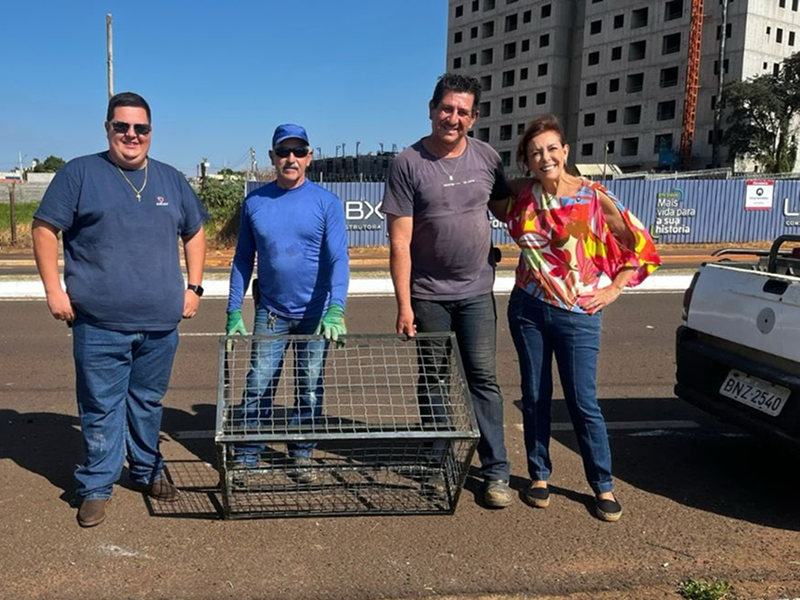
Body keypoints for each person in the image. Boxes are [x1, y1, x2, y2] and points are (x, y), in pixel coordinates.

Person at [32, 92, 209, 528]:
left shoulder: (171, 180)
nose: (131, 135)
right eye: (122, 126)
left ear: (151, 132)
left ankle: (148, 472)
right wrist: (54, 290)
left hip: (160, 322)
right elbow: (45, 228)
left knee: (148, 403)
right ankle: (96, 485)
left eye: (140, 128)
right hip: (99, 323)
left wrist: (195, 288)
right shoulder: (80, 173)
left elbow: (196, 231)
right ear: (108, 128)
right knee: (101, 407)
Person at [491, 114, 660, 522]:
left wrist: (613, 288)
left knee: (583, 401)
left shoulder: (592, 197)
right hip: (528, 308)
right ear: (527, 161)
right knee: (533, 396)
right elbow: (478, 189)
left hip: (579, 313)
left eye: (551, 149)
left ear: (565, 152)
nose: (545, 157)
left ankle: (602, 484)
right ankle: (539, 476)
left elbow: (641, 247)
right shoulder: (520, 195)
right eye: (535, 153)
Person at [382, 73, 513, 508]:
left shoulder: (488, 159)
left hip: (476, 291)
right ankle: (437, 461)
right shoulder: (407, 163)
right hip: (428, 294)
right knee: (434, 380)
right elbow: (400, 241)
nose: (452, 118)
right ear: (432, 108)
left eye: (462, 112)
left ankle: (496, 472)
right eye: (446, 108)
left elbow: (509, 211)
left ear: (473, 118)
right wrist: (404, 304)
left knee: (483, 380)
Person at [225, 124, 348, 481]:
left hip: (316, 314)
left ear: (310, 157)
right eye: (283, 152)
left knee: (309, 386)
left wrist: (337, 307)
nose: (290, 158)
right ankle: (248, 452)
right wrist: (234, 309)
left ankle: (301, 453)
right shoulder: (255, 202)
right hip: (272, 312)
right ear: (272, 157)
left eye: (298, 152)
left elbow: (339, 257)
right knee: (258, 383)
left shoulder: (326, 203)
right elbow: (242, 260)